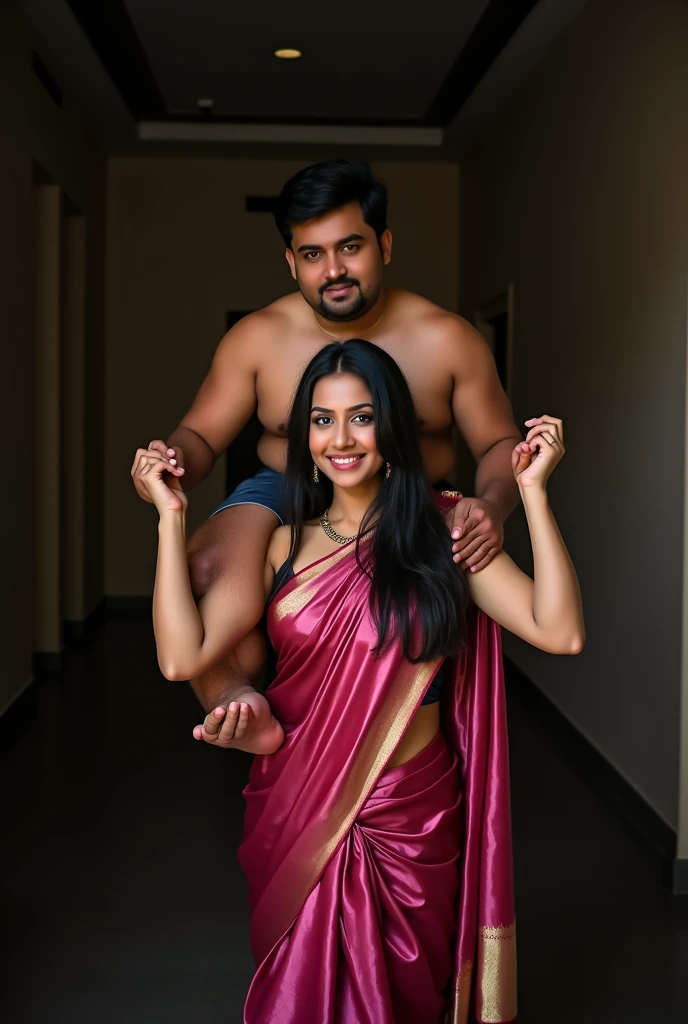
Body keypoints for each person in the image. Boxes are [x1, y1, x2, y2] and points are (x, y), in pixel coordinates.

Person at [136, 339, 584, 1024]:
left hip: (413, 822)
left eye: (361, 417)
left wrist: (532, 496)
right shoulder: (283, 546)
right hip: (300, 810)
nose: (340, 439)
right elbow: (182, 654)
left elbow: (560, 630)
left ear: (394, 426)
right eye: (321, 420)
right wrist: (171, 522)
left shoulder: (444, 533)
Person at [130, 159, 523, 717]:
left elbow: (498, 445)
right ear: (291, 262)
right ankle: (236, 705)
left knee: (419, 605)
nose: (333, 269)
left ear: (384, 245)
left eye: (350, 247)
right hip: (287, 485)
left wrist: (493, 505)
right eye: (312, 254)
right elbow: (198, 434)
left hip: (407, 492)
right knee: (202, 570)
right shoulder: (259, 337)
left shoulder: (447, 339)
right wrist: (169, 463)